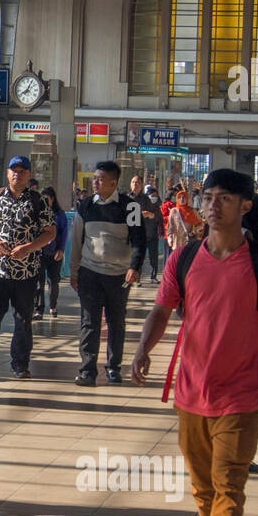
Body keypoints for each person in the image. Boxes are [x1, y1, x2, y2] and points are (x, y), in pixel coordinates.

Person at [131, 169, 258, 516]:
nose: (212, 206)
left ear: (244, 206)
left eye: (223, 198)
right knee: (203, 487)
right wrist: (143, 349)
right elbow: (162, 311)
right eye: (208, 198)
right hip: (191, 391)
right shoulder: (182, 258)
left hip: (241, 393)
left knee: (229, 482)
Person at [0, 155, 52, 381]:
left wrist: (29, 247)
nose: (17, 174)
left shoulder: (38, 201)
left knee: (23, 319)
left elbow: (50, 232)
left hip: (26, 272)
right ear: (7, 173)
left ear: (29, 174)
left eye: (22, 171)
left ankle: (20, 364)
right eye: (13, 170)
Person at [70, 160, 145, 386]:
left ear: (113, 182)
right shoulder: (85, 206)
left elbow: (139, 241)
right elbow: (76, 241)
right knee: (89, 322)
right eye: (94, 178)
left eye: (100, 179)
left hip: (119, 276)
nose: (95, 182)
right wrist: (75, 271)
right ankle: (87, 370)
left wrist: (134, 267)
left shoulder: (129, 207)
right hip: (90, 273)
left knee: (116, 322)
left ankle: (113, 367)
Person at [33, 186, 68, 319]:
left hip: (54, 253)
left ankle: (53, 306)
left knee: (53, 282)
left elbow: (64, 233)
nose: (44, 202)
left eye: (47, 199)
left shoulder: (60, 215)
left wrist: (61, 249)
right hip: (40, 253)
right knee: (38, 283)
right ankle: (38, 309)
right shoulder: (37, 214)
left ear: (52, 199)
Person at [165, 189, 202, 255]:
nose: (182, 199)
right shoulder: (174, 211)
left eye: (184, 197)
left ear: (187, 199)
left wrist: (194, 232)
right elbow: (170, 226)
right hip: (177, 241)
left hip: (188, 240)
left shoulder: (192, 211)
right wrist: (169, 238)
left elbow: (199, 224)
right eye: (179, 197)